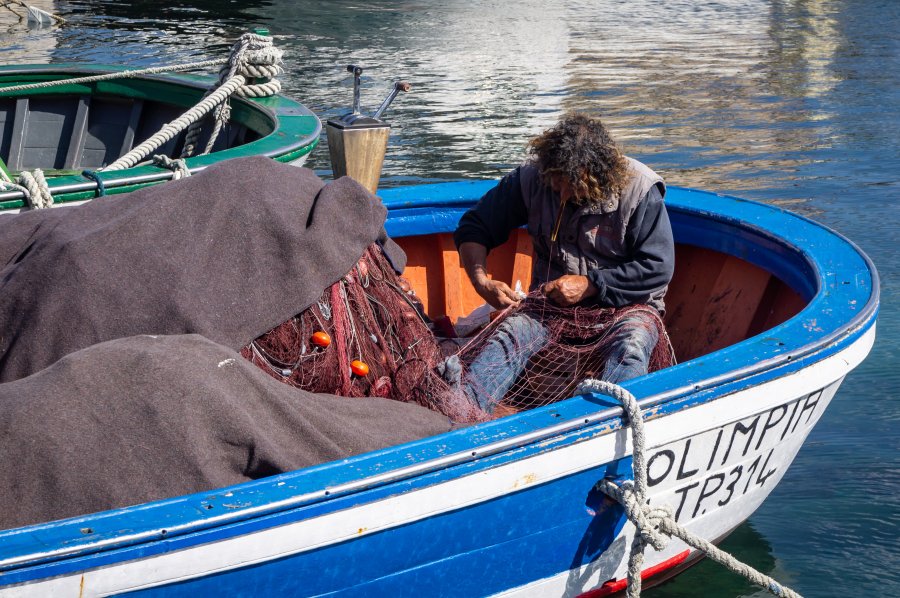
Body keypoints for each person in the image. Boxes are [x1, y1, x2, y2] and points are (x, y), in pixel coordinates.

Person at [448, 113, 675, 412]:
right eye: (557, 184)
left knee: (630, 347)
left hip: (625, 310)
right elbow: (475, 226)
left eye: (574, 186)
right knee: (509, 336)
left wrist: (592, 285)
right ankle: (462, 416)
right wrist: (481, 281)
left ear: (601, 176)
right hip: (550, 307)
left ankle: (610, 427)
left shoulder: (639, 190)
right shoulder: (531, 178)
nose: (564, 193)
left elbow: (657, 267)